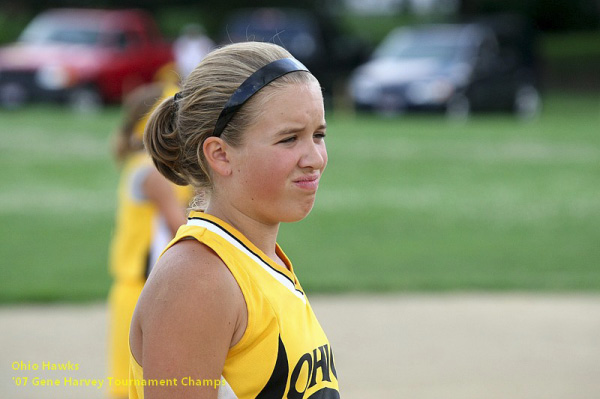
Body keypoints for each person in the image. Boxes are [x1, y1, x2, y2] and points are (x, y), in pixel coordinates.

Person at [129, 42, 340, 399]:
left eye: (318, 135)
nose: (315, 158)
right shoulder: (198, 280)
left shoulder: (256, 260)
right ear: (221, 154)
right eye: (289, 139)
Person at [107, 83, 193, 399]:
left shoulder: (149, 166)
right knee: (136, 386)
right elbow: (179, 226)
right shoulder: (152, 171)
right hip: (141, 287)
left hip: (138, 286)